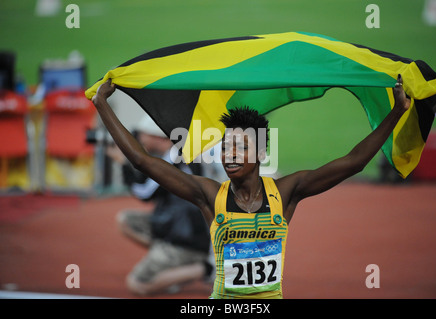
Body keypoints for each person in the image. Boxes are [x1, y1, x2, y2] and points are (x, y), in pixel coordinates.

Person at [92, 74, 410, 299]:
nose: (229, 154)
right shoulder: (208, 195)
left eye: (240, 148)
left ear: (260, 153)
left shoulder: (286, 192)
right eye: (226, 146)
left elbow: (353, 162)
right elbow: (144, 161)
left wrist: (396, 112)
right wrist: (103, 105)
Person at [106, 116, 214, 295]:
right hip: (180, 227)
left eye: (142, 134)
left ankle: (206, 268)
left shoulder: (175, 158)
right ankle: (170, 265)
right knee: (125, 220)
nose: (138, 138)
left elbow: (144, 193)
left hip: (187, 238)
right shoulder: (177, 154)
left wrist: (124, 164)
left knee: (137, 284)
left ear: (160, 137)